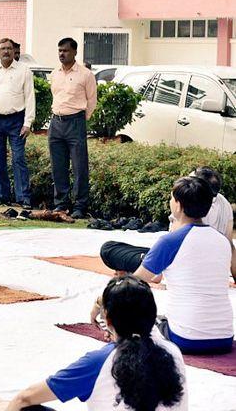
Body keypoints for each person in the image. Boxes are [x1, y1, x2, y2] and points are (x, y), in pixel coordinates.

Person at [7, 276, 187, 411]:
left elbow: (24, 398)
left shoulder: (99, 362)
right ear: (153, 315)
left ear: (107, 319)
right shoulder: (173, 352)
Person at [98, 176, 233, 354]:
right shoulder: (223, 241)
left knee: (137, 315)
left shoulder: (170, 241)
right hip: (224, 338)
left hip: (186, 338)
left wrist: (99, 304)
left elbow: (130, 285)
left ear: (177, 205)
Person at [0, 38, 35, 208]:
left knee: (18, 159)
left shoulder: (24, 70)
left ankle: (22, 197)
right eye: (3, 48)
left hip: (16, 120)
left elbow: (30, 97)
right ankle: (1, 195)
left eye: (9, 49)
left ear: (14, 51)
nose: (6, 51)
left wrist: (28, 122)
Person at [48, 38, 96, 219]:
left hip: (75, 121)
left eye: (66, 51)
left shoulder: (85, 74)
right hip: (56, 122)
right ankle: (61, 203)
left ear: (75, 52)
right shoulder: (55, 73)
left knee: (79, 166)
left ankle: (80, 205)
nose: (62, 54)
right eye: (60, 50)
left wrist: (81, 119)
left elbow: (91, 100)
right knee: (58, 166)